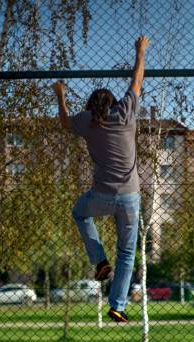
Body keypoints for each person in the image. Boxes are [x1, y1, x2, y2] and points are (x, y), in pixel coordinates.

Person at [52, 35, 150, 323]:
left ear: (91, 106)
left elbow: (65, 122)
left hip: (101, 197)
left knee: (80, 213)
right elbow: (137, 79)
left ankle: (99, 260)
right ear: (114, 103)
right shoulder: (125, 112)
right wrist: (140, 50)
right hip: (130, 197)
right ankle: (117, 305)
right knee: (128, 251)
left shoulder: (86, 121)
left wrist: (60, 94)